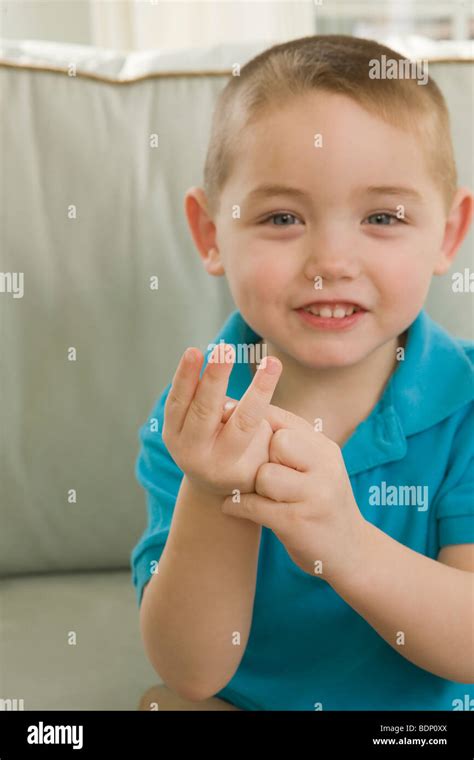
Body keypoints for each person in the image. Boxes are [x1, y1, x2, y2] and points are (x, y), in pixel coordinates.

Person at [132, 35, 474, 711]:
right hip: (247, 705)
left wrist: (348, 546)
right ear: (209, 234)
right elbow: (191, 672)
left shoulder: (464, 403)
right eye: (282, 217)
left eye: (382, 216)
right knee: (162, 706)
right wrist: (211, 490)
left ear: (447, 235)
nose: (330, 259)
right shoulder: (196, 417)